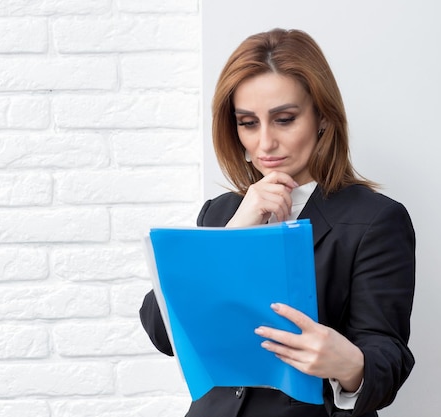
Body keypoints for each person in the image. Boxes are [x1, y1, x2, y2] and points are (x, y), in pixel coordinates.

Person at [140, 28, 415, 417]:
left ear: (322, 117)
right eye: (248, 123)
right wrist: (237, 230)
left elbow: (387, 356)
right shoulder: (220, 213)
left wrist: (348, 363)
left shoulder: (375, 220)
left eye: (284, 119)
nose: (265, 143)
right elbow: (162, 330)